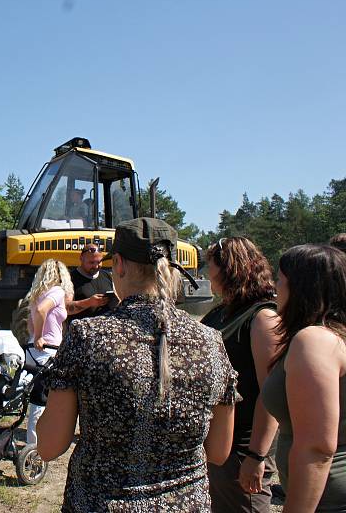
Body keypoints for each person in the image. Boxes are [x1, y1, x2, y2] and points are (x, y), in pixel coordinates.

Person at [37, 217, 239, 512]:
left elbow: (49, 446)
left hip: (99, 503)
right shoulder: (211, 341)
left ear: (118, 264)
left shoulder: (87, 336)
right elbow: (219, 452)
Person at [260, 244, 346, 512]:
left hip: (327, 501)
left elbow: (316, 448)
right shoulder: (333, 335)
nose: (275, 288)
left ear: (300, 288)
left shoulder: (314, 340)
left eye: (280, 279)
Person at [201, 237, 281, 512]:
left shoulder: (262, 318)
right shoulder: (221, 312)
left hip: (243, 448)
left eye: (209, 266)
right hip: (217, 444)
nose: (206, 273)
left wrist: (256, 456)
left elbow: (270, 394)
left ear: (228, 269)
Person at [24, 258, 74, 444]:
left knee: (33, 399)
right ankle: (35, 447)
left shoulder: (37, 293)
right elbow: (41, 311)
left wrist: (34, 336)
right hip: (47, 350)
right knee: (40, 401)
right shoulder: (57, 292)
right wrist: (39, 336)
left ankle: (35, 442)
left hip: (33, 351)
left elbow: (30, 319)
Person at [65, 244, 116, 321]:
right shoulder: (70, 279)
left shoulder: (107, 276)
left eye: (99, 262)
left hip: (105, 329)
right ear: (81, 258)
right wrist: (89, 302)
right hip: (80, 330)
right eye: (91, 262)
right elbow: (65, 308)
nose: (95, 266)